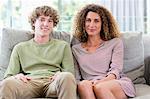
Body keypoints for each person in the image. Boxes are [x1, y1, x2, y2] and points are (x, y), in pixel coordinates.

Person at [0, 5, 76, 99]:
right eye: (42, 19)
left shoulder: (63, 46)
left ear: (53, 25)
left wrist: (61, 74)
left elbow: (69, 72)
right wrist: (17, 76)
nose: (46, 24)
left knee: (67, 76)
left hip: (53, 82)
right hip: (29, 83)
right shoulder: (20, 48)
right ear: (34, 22)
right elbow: (9, 76)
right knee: (7, 83)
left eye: (50, 21)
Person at [72, 4, 136, 99]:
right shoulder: (75, 49)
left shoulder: (115, 43)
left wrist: (100, 82)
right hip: (89, 84)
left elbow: (115, 70)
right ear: (83, 23)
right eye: (88, 20)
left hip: (113, 82)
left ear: (103, 24)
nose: (91, 25)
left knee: (100, 87)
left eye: (96, 21)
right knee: (83, 85)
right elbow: (76, 77)